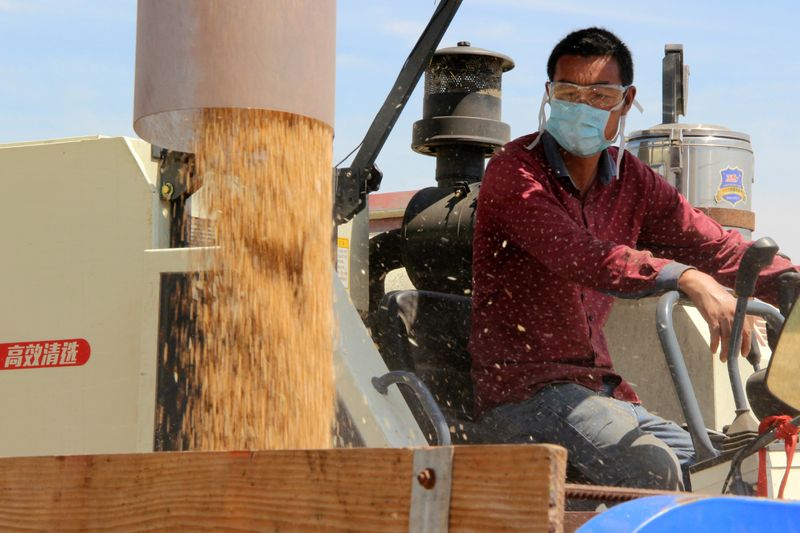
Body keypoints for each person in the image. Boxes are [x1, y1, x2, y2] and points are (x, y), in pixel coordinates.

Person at [469, 27, 799, 491]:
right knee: (652, 469)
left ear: (626, 101)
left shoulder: (633, 180)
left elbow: (713, 245)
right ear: (548, 96)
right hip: (523, 396)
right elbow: (582, 255)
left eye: (600, 95)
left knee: (729, 471)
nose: (582, 108)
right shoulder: (514, 171)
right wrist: (689, 279)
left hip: (604, 392)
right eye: (568, 93)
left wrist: (791, 283)